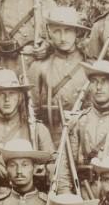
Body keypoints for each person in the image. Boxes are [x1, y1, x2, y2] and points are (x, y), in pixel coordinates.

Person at [0, 68, 55, 205]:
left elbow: (55, 170)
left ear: (19, 96)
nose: (7, 99)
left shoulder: (38, 130)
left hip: (36, 201)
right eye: (1, 94)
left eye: (12, 93)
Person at [28, 7, 89, 141]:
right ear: (49, 33)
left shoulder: (89, 65)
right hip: (50, 136)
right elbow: (32, 111)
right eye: (57, 31)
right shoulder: (39, 66)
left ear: (76, 32)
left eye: (67, 31)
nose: (62, 38)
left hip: (83, 136)